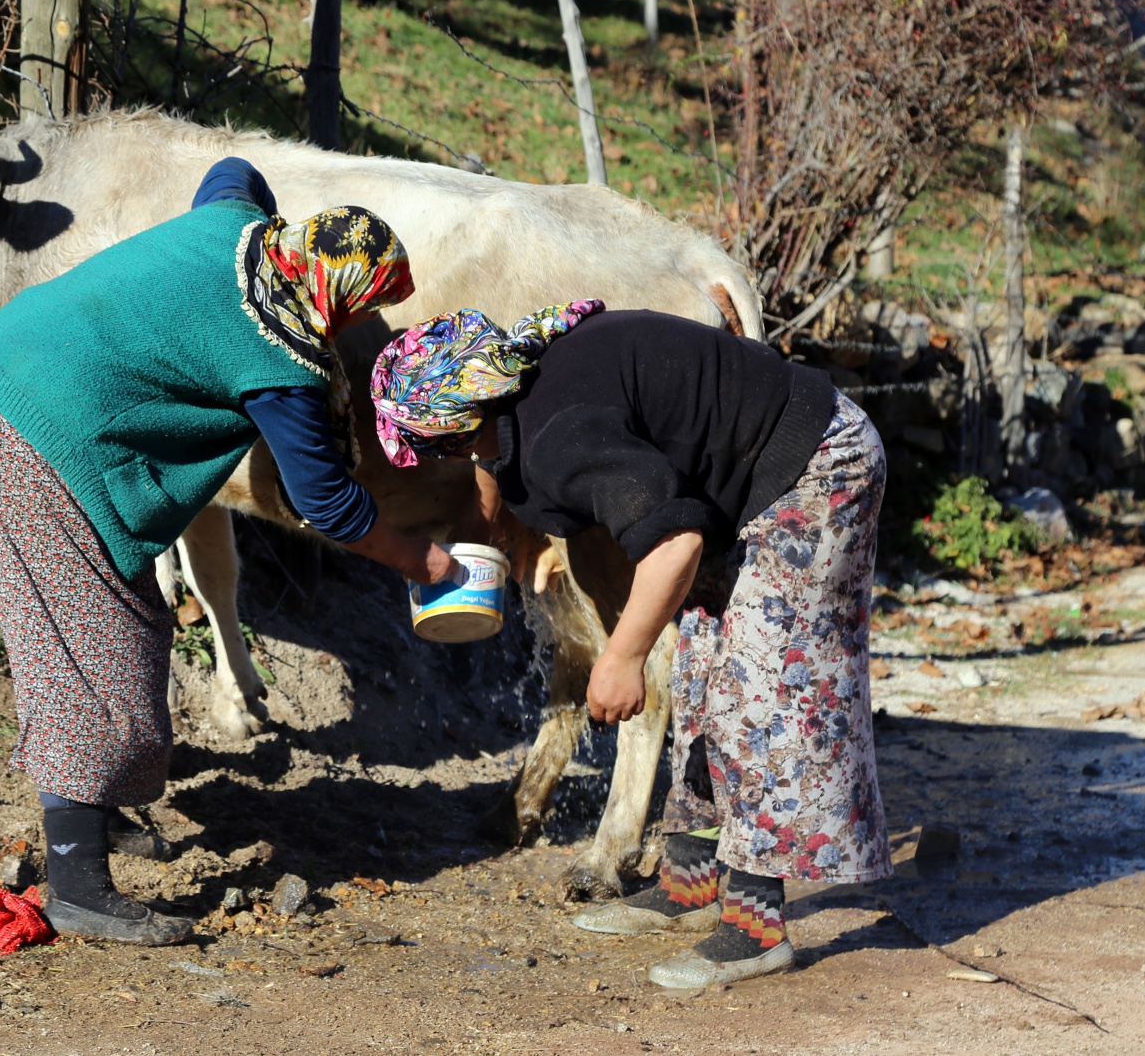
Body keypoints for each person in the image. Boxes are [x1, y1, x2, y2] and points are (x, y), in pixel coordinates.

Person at [0, 158, 456, 945]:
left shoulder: (236, 227)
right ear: (341, 294)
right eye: (366, 306)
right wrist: (423, 561)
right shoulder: (281, 361)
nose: (355, 325)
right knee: (92, 651)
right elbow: (325, 503)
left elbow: (233, 168)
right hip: (28, 435)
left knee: (133, 620)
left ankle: (91, 815)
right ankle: (77, 883)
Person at [369, 301, 891, 987]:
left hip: (818, 464)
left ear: (457, 424)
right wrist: (481, 534)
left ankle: (757, 927)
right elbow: (492, 464)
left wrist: (620, 655)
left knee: (760, 695)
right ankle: (690, 883)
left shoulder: (559, 437)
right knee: (703, 676)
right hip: (754, 479)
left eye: (430, 445)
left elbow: (675, 542)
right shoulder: (515, 392)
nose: (435, 458)